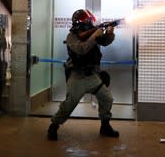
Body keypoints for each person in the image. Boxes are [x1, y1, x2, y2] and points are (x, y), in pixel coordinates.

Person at [47, 9, 119, 140]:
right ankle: (54, 125)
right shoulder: (72, 36)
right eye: (87, 20)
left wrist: (110, 33)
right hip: (77, 76)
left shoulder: (91, 32)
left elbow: (105, 42)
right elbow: (81, 50)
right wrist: (94, 35)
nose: (90, 22)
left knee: (107, 98)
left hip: (91, 75)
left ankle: (105, 126)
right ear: (81, 22)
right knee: (69, 104)